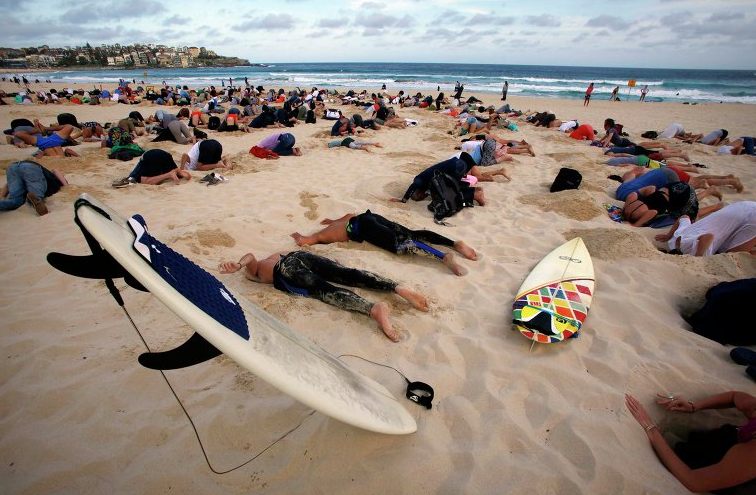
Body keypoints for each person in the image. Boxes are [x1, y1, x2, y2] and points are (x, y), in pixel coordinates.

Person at [219, 250, 429, 342]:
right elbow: (251, 258)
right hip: (298, 255)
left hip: (287, 267)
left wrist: (239, 265)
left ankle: (373, 308)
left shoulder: (257, 271)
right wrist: (238, 265)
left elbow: (250, 258)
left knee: (323, 290)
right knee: (347, 274)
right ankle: (396, 287)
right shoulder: (268, 260)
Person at [625, 391, 756, 493]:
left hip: (729, 469)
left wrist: (650, 428)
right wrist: (694, 406)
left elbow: (694, 481)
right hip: (731, 440)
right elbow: (735, 396)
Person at [290, 210, 477, 276]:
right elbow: (347, 216)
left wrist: (299, 237)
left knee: (399, 243)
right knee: (411, 233)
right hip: (369, 216)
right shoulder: (339, 222)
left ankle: (444, 256)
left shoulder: (324, 235)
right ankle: (454, 243)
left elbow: (306, 241)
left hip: (365, 227)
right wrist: (332, 220)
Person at [655, 201, 756, 256]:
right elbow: (684, 217)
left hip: (746, 210)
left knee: (737, 255)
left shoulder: (688, 249)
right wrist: (669, 235)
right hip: (744, 208)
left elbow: (708, 237)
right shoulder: (675, 239)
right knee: (739, 254)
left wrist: (698, 258)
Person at [392, 153, 486, 205]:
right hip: (458, 165)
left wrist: (403, 200)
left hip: (456, 165)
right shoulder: (427, 187)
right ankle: (475, 191)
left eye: (419, 197)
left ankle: (475, 195)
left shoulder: (419, 180)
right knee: (453, 188)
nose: (423, 197)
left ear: (418, 192)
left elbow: (413, 185)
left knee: (449, 192)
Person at [0, 160, 67, 215]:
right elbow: (55, 170)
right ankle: (37, 199)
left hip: (13, 167)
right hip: (30, 168)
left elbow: (7, 185)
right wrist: (66, 185)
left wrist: (2, 196)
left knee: (15, 201)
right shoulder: (54, 180)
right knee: (36, 195)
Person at [112, 149, 191, 187]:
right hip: (165, 155)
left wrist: (168, 175)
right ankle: (178, 171)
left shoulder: (141, 166)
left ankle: (169, 174)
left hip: (150, 156)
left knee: (138, 178)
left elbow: (144, 181)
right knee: (178, 173)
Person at [12, 119, 79, 157]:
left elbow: (68, 150)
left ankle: (37, 130)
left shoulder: (58, 158)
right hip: (52, 142)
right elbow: (68, 150)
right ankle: (44, 128)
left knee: (69, 127)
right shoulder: (61, 158)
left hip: (46, 143)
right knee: (70, 127)